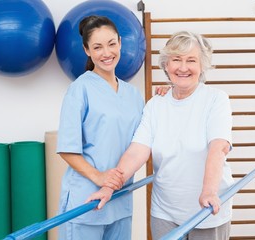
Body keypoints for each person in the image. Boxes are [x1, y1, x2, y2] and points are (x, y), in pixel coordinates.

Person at [87, 31, 234, 240]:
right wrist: (109, 186)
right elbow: (137, 151)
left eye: (191, 60)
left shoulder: (216, 100)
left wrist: (210, 191)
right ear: (166, 65)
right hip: (165, 212)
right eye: (176, 60)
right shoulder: (156, 105)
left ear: (202, 66)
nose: (183, 67)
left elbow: (218, 148)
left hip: (207, 211)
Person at [56, 15, 144, 240]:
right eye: (97, 47)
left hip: (120, 199)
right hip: (86, 199)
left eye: (112, 44)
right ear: (87, 50)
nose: (107, 53)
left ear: (120, 43)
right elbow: (67, 148)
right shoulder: (79, 90)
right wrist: (98, 177)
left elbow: (143, 141)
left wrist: (166, 96)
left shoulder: (133, 95)